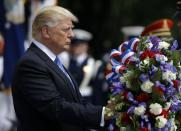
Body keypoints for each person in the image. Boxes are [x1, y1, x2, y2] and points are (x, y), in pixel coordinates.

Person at [12, 6, 112, 131]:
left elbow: (78, 102)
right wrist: (103, 114)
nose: (72, 34)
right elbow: (56, 107)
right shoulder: (31, 63)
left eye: (71, 29)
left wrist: (107, 112)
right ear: (46, 32)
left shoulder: (51, 60)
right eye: (66, 29)